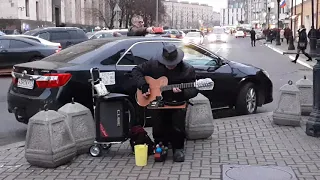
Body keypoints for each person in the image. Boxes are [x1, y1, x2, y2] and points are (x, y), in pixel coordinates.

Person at [131, 44, 198, 162]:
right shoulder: (153, 64)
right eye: (167, 63)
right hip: (158, 101)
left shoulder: (187, 69)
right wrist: (143, 85)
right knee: (158, 125)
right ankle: (160, 147)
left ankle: (178, 148)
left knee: (177, 124)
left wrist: (182, 93)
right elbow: (136, 70)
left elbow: (194, 89)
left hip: (177, 101)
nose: (170, 66)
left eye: (172, 63)